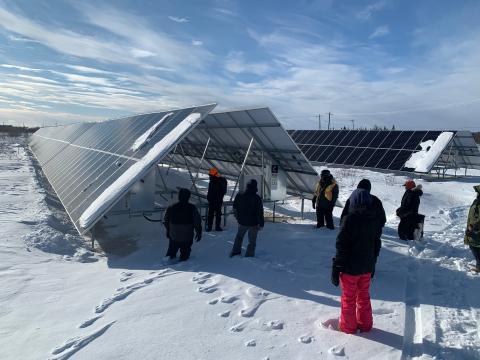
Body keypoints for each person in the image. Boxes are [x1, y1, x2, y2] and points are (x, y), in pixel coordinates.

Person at [331, 187, 380, 334]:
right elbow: (376, 245)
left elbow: (342, 246)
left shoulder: (349, 219)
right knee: (363, 296)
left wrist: (336, 266)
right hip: (366, 267)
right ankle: (366, 325)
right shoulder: (373, 220)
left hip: (350, 269)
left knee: (349, 298)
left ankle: (348, 327)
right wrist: (373, 265)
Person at [341, 179, 386, 278]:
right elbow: (383, 219)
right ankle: (370, 273)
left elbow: (344, 215)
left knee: (353, 251)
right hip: (373, 233)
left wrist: (344, 228)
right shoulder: (376, 200)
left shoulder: (353, 198)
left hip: (354, 231)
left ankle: (354, 274)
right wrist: (376, 228)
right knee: (372, 252)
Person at [163, 188, 202, 261]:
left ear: (179, 196)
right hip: (187, 237)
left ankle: (168, 260)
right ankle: (184, 260)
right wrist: (199, 232)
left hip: (173, 236)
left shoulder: (171, 207)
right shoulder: (192, 208)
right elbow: (197, 221)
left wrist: (168, 230)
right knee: (185, 252)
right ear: (188, 197)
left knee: (172, 249)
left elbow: (165, 220)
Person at [230, 179, 264, 258]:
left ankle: (235, 252)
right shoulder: (257, 198)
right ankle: (249, 256)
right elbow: (260, 212)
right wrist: (261, 224)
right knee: (252, 241)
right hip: (253, 224)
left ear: (247, 186)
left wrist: (238, 218)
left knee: (239, 237)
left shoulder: (239, 195)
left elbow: (235, 207)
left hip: (242, 222)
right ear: (255, 187)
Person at [206, 168, 227, 232]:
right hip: (215, 200)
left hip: (216, 200)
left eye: (210, 175)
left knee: (213, 214)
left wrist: (209, 197)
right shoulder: (218, 180)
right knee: (214, 214)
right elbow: (210, 191)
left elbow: (223, 191)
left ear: (214, 174)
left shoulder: (220, 181)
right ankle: (214, 227)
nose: (210, 176)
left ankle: (213, 227)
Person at [465, 185, 480, 273]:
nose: (476, 193)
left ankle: (479, 266)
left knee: (474, 245)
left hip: (476, 229)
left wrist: (473, 227)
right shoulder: (477, 201)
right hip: (474, 227)